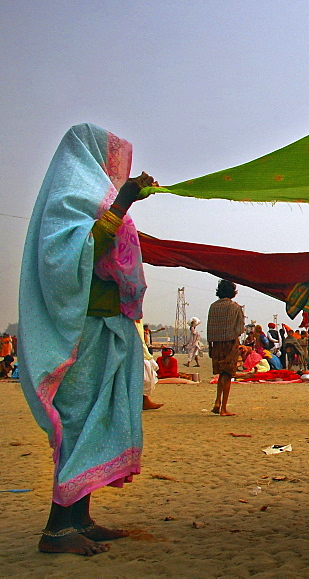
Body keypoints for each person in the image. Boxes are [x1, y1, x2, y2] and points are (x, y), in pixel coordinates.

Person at [19, 124, 154, 555]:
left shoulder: (94, 199)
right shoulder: (68, 200)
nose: (116, 169)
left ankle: (80, 519)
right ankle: (57, 531)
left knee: (95, 421)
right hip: (81, 331)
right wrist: (124, 201)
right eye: (112, 159)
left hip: (106, 326)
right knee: (78, 425)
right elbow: (74, 256)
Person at [207, 279, 245, 416]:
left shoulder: (213, 306)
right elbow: (240, 328)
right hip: (230, 342)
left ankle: (217, 402)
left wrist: (211, 345)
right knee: (227, 374)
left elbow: (209, 327)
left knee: (221, 374)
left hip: (215, 343)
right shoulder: (235, 307)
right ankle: (223, 408)